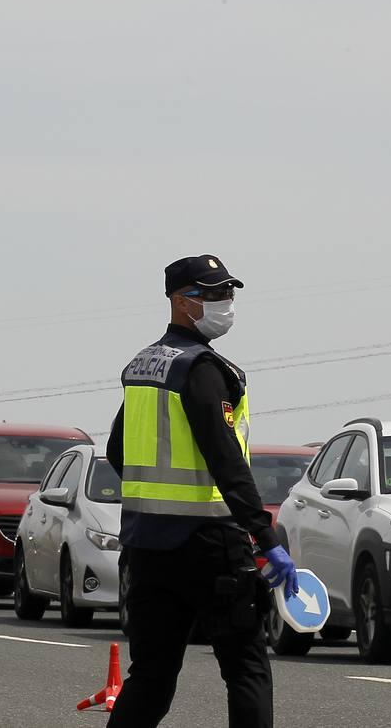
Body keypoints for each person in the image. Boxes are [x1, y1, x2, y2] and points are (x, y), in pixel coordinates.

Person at [106, 254, 298, 728]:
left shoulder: (145, 366)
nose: (225, 303)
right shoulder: (204, 368)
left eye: (228, 293)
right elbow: (226, 458)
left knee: (150, 676)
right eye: (212, 294)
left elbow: (116, 449)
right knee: (246, 667)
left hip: (147, 545)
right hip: (210, 543)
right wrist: (266, 538)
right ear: (180, 300)